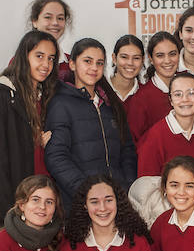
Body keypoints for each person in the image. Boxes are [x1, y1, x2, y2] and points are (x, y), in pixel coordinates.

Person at [0, 29, 59, 233]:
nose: (46, 65)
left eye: (51, 59)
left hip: (42, 205)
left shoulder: (43, 95)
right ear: (24, 56)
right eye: (39, 56)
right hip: (15, 209)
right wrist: (9, 215)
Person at [44, 38, 137, 211]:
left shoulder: (111, 104)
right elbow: (56, 157)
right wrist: (86, 192)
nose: (94, 68)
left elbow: (128, 150)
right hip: (80, 203)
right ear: (72, 64)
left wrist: (127, 186)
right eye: (87, 61)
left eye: (99, 63)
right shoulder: (60, 104)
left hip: (116, 201)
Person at [136, 72, 194, 178]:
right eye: (178, 94)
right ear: (170, 100)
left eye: (191, 93)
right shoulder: (155, 137)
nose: (185, 99)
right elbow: (146, 186)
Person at [128, 31, 180, 143]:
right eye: (160, 55)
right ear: (150, 58)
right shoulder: (141, 99)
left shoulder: (190, 87)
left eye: (172, 54)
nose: (167, 61)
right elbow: (134, 143)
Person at [28, 0, 73, 79]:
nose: (55, 23)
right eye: (48, 17)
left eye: (60, 18)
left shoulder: (72, 64)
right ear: (34, 21)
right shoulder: (21, 61)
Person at [109, 34, 144, 108]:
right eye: (124, 57)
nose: (130, 63)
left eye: (136, 58)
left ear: (143, 60)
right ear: (114, 58)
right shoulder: (100, 91)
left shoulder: (146, 94)